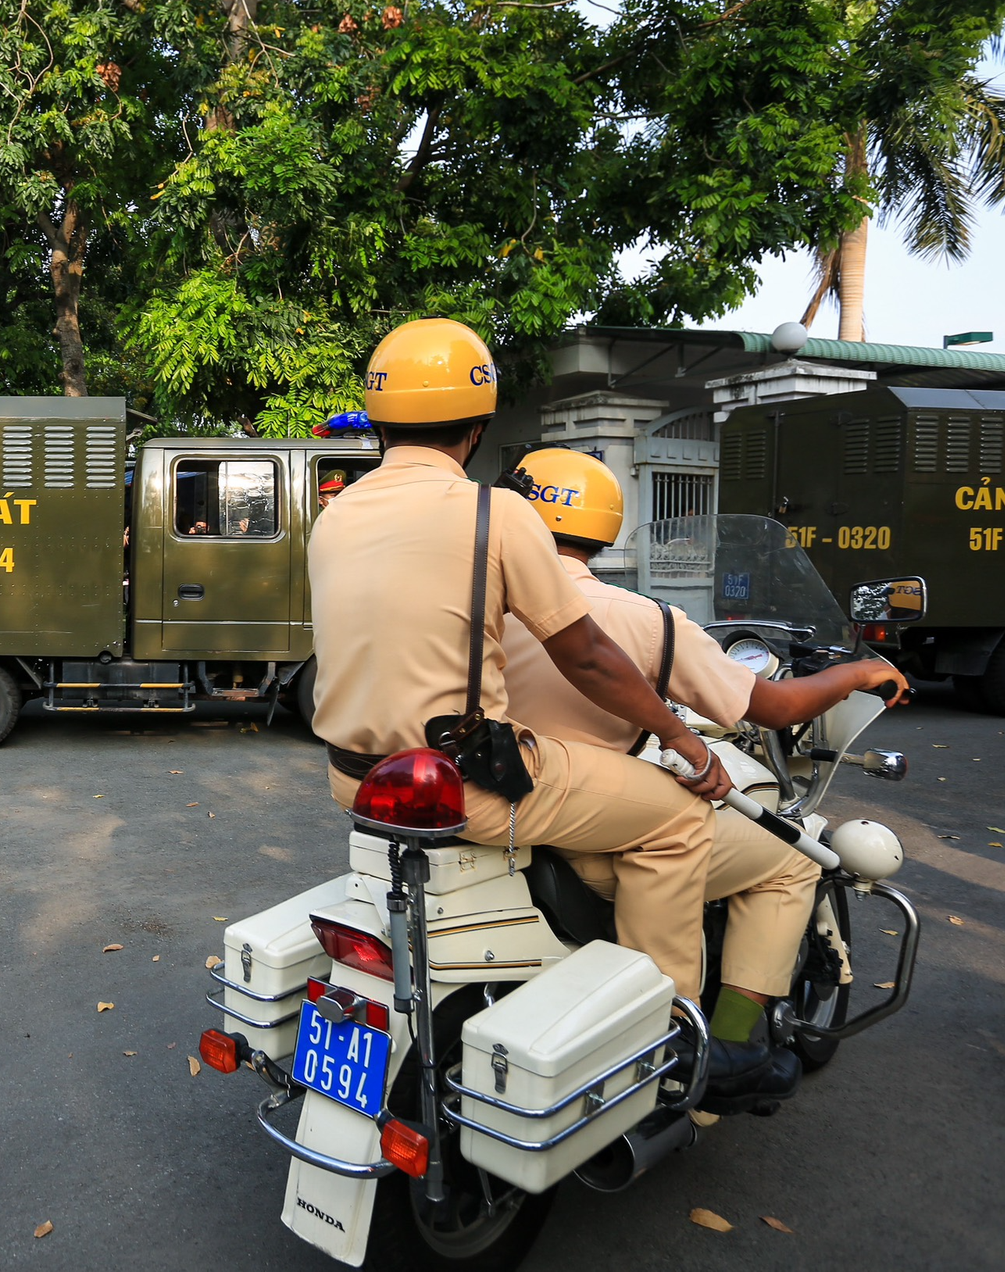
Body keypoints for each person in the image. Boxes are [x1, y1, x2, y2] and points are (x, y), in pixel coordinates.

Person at [307, 317, 778, 1102]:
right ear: (479, 426)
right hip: (472, 781)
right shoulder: (496, 512)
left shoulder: (335, 516)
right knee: (678, 819)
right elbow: (587, 655)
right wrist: (681, 743)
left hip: (359, 781)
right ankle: (667, 1040)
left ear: (382, 421)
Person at [498, 448, 910, 1110]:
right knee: (794, 853)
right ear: (604, 527)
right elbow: (773, 707)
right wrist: (861, 673)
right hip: (596, 835)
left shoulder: (485, 603)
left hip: (507, 814)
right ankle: (734, 1042)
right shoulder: (643, 620)